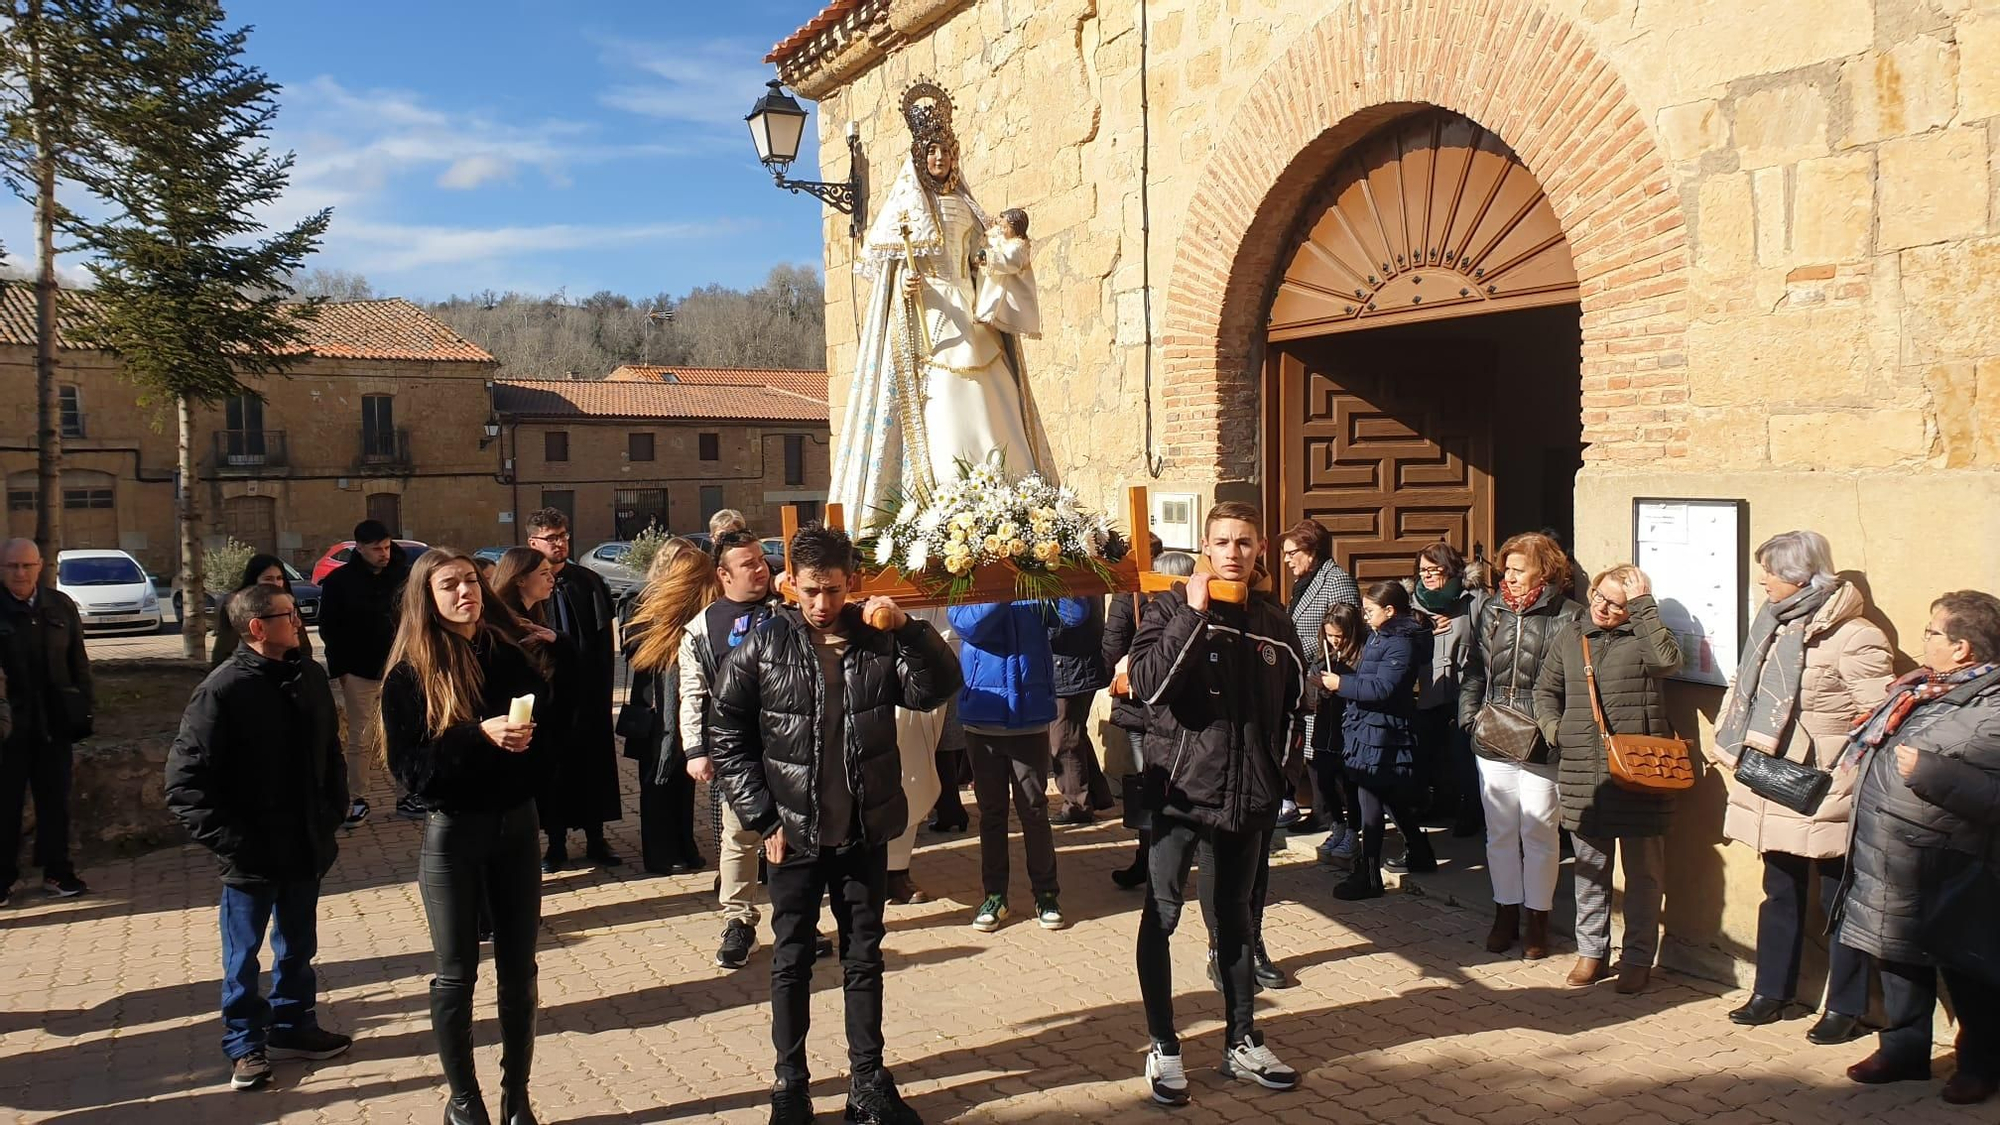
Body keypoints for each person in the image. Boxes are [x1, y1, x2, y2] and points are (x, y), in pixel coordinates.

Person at [707, 524, 960, 1125]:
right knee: (792, 960)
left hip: (864, 831)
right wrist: (762, 815)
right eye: (812, 591)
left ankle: (867, 1083)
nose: (823, 605)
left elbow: (937, 689)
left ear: (854, 585)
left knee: (863, 958)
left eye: (835, 591)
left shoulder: (877, 646)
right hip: (791, 836)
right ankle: (789, 1086)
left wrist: (910, 629)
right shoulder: (763, 646)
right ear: (792, 584)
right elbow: (727, 733)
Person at [1128, 502, 1305, 1105]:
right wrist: (1195, 614)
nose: (1233, 551)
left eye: (1246, 543)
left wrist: (1283, 774)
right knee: (1164, 914)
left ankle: (1240, 1041)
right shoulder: (1170, 607)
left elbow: (1296, 707)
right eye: (1223, 541)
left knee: (1235, 918)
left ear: (1260, 553)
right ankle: (1164, 1046)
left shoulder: (1275, 622)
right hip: (1180, 791)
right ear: (1205, 546)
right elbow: (1148, 684)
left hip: (1247, 794)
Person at [381, 548, 552, 1125]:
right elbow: (410, 773)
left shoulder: (508, 655)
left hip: (517, 826)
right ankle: (463, 1099)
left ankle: (516, 1096)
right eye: (449, 585)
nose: (465, 592)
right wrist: (477, 735)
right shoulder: (408, 674)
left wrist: (532, 734)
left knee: (519, 968)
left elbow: (551, 727)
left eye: (471, 582)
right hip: (454, 834)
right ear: (427, 599)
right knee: (456, 972)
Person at [165, 583, 351, 1091]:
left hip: (304, 842)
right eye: (288, 615)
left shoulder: (309, 675)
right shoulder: (222, 690)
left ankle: (294, 1025)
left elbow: (331, 751)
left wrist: (333, 811)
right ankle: (245, 1045)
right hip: (250, 853)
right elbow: (184, 783)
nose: (298, 621)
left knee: (297, 946)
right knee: (242, 956)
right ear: (256, 627)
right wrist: (230, 842)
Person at [828, 79, 1041, 520]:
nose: (939, 158)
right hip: (930, 314)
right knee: (943, 396)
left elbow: (977, 256)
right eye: (931, 151)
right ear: (920, 156)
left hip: (970, 310)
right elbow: (891, 267)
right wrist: (905, 285)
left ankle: (1013, 492)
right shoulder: (905, 206)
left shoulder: (968, 206)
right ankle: (946, 495)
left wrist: (1003, 257)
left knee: (993, 387)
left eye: (945, 150)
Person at [1707, 531, 1891, 1040]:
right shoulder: (1772, 622)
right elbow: (1742, 687)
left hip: (1828, 785)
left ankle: (1846, 1007)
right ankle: (1772, 992)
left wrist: (1835, 758)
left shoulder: (1855, 635)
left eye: (1770, 571)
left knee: (1839, 898)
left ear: (1800, 576)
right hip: (1774, 779)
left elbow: (1881, 717)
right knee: (1780, 889)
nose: (1762, 580)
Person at [1830, 590, 2000, 1105]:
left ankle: (1981, 1065)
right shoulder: (1925, 688)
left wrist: (1933, 774)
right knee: (1897, 955)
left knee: (1967, 970)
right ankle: (1903, 1051)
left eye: (1932, 632)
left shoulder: (1992, 709)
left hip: (1953, 862)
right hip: (1892, 852)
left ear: (1963, 649)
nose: (1922, 638)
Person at [1534, 564, 1683, 994]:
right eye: (1599, 596)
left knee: (1643, 876)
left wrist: (1642, 608)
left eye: (1616, 604)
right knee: (1590, 870)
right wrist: (1556, 730)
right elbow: (1546, 691)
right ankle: (1591, 952)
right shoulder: (1572, 634)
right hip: (1584, 773)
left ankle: (1638, 957)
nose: (1602, 607)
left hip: (1639, 773)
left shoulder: (1646, 635)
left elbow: (1668, 661)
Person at [1459, 531, 1584, 960]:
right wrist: (1469, 714)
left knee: (1539, 831)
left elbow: (1573, 683)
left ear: (1544, 572)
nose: (1507, 577)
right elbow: (1475, 666)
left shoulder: (1569, 616)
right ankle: (1505, 912)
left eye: (1518, 569)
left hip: (1541, 738)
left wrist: (1557, 730)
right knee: (1500, 831)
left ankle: (1538, 919)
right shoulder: (1491, 610)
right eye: (1506, 569)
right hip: (1493, 731)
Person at [948, 596, 1084, 932]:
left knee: (1034, 810)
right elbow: (968, 626)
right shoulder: (967, 577)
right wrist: (1002, 588)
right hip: (984, 714)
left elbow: (1074, 614)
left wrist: (1054, 573)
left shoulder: (1033, 584)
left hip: (1030, 714)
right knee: (991, 814)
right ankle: (995, 896)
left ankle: (1047, 893)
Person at [680, 530, 783, 968]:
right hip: (738, 751)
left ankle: (798, 920)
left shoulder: (787, 610)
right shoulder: (703, 627)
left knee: (796, 834)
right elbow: (692, 692)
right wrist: (694, 749)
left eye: (762, 561)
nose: (761, 569)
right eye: (749, 564)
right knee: (740, 836)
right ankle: (739, 921)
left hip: (791, 744)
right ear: (723, 575)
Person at [524, 508, 622, 871]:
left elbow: (601, 644)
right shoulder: (527, 584)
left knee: (591, 767)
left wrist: (598, 693)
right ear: (533, 542)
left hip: (587, 695)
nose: (560, 543)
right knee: (554, 771)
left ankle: (596, 838)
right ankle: (556, 844)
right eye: (552, 538)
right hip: (547, 699)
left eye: (564, 535)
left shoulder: (588, 581)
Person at [1323, 582, 1433, 900]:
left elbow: (1383, 688)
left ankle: (1369, 874)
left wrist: (1341, 683)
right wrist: (1338, 681)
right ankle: (1419, 850)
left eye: (1370, 610)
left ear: (1389, 611)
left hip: (1385, 732)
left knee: (1370, 798)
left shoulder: (1400, 642)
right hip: (1370, 728)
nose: (1365, 616)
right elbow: (1370, 680)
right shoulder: (1380, 636)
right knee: (1387, 795)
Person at [0, 537, 91, 900]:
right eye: (12, 566)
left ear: (40, 566)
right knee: (4, 805)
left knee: (56, 803)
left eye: (27, 565)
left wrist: (83, 708)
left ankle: (58, 872)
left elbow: (78, 663)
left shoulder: (60, 605)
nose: (20, 573)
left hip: (54, 724)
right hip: (7, 728)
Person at [620, 539, 714, 875]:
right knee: (656, 780)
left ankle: (684, 846)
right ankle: (660, 854)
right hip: (654, 706)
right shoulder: (640, 602)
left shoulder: (697, 604)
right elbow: (633, 653)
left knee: (682, 778)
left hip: (685, 703)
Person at [318, 519, 413, 827]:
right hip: (358, 670)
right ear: (358, 548)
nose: (383, 554)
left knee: (402, 731)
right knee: (361, 738)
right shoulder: (338, 582)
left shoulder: (403, 575)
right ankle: (358, 798)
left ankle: (407, 794)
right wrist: (341, 669)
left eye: (386, 547)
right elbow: (329, 628)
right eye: (376, 549)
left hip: (399, 667)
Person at [1280, 519, 1360, 833]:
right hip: (1305, 675)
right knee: (1311, 749)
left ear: (1311, 551)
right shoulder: (1305, 583)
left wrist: (1308, 653)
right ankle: (1322, 811)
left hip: (1326, 675)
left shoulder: (1336, 580)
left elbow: (1347, 629)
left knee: (1325, 751)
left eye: (1291, 553)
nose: (1286, 560)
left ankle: (1336, 818)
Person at [1104, 539, 1176, 889]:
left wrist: (1115, 676)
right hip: (1168, 709)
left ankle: (1149, 863)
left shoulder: (1127, 593)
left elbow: (1112, 643)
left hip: (1138, 705)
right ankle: (1157, 863)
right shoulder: (1175, 586)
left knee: (1149, 786)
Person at [1413, 542, 1481, 839]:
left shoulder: (1474, 599)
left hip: (1463, 689)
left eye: (1433, 569)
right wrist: (1420, 628)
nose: (1426, 576)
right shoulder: (1411, 602)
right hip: (1426, 689)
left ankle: (1470, 810)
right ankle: (1439, 802)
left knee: (1463, 753)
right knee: (1429, 752)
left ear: (1450, 569)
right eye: (1422, 570)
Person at [1048, 596, 1113, 825]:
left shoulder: (1073, 579)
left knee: (1064, 737)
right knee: (1073, 730)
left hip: (1071, 666)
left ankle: (1077, 805)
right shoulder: (1080, 574)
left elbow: (1070, 619)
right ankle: (1097, 794)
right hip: (1076, 665)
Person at [1310, 603, 1366, 867]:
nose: (1334, 640)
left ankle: (1354, 831)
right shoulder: (1324, 656)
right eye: (1330, 635)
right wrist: (1318, 688)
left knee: (1350, 785)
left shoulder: (1361, 657)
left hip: (1348, 730)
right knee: (1324, 781)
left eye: (1339, 636)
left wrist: (1339, 686)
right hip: (1325, 730)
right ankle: (1338, 825)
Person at [209, 553, 314, 668]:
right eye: (268, 579)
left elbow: (304, 647)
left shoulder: (288, 603)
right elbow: (224, 651)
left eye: (279, 578)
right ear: (255, 580)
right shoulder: (238, 606)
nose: (275, 584)